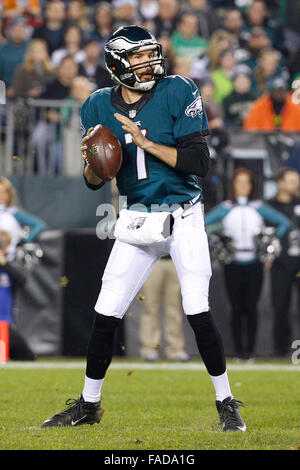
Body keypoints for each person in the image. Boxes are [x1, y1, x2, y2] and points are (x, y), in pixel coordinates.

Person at [41, 24, 246, 432]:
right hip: (136, 216)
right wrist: (93, 162)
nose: (148, 61)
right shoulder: (98, 105)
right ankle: (88, 405)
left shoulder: (178, 89)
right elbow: (94, 181)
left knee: (197, 309)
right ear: (118, 63)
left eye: (150, 53)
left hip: (183, 213)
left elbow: (199, 163)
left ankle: (226, 402)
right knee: (106, 311)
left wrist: (144, 141)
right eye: (137, 56)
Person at [205, 167, 291, 360]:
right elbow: (203, 224)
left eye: (247, 182)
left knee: (251, 307)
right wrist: (217, 241)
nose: (243, 186)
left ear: (252, 186)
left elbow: (284, 223)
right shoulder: (225, 208)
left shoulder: (258, 207)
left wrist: (268, 245)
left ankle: (250, 351)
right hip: (232, 262)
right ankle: (238, 351)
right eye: (239, 182)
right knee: (236, 307)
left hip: (254, 262)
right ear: (233, 185)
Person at [267, 168, 300, 356]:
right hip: (280, 264)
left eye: (297, 179)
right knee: (280, 306)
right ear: (280, 183)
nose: (296, 183)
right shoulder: (270, 206)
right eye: (291, 180)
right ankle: (280, 350)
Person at [139, 255, 190, 362]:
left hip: (174, 260)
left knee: (174, 308)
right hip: (152, 259)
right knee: (149, 307)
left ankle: (176, 349)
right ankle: (149, 349)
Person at [0, 229, 36, 360]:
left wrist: (5, 264)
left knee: (28, 357)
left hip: (4, 326)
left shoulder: (10, 267)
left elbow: (22, 280)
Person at [0, 176, 46, 255]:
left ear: (9, 194)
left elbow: (39, 224)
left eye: (4, 192)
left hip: (9, 256)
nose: (2, 196)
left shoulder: (13, 212)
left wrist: (24, 241)